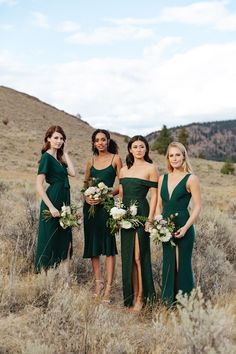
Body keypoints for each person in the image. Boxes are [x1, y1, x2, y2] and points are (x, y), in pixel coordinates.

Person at [155, 142, 201, 306]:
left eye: (178, 155)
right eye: (171, 155)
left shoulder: (191, 178)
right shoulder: (162, 178)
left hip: (183, 225)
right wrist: (158, 222)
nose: (174, 158)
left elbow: (197, 207)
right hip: (165, 227)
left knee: (183, 264)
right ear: (168, 158)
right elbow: (159, 204)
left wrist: (186, 227)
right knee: (168, 263)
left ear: (183, 157)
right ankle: (168, 303)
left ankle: (186, 305)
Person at [119, 135, 158, 311]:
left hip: (142, 212)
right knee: (128, 257)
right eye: (135, 147)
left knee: (138, 255)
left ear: (146, 149)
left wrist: (150, 219)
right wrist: (118, 214)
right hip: (125, 215)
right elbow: (120, 193)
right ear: (130, 149)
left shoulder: (151, 168)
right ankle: (132, 296)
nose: (139, 150)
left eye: (142, 146)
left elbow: (155, 195)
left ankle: (142, 297)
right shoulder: (124, 170)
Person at [83, 129, 122, 303]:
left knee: (108, 247)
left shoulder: (116, 159)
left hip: (106, 207)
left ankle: (108, 288)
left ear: (108, 141)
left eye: (103, 140)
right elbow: (85, 184)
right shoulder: (90, 161)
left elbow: (121, 186)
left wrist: (105, 195)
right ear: (93, 143)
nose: (100, 143)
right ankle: (98, 284)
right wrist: (87, 197)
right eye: (97, 140)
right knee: (93, 246)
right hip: (90, 208)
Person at [35, 126, 76, 272]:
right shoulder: (46, 157)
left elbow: (73, 173)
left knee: (63, 237)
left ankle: (59, 272)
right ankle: (43, 273)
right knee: (49, 238)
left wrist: (65, 153)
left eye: (61, 138)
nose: (59, 141)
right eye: (56, 138)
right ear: (48, 139)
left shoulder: (58, 159)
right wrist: (51, 207)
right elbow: (38, 185)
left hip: (64, 201)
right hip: (52, 200)